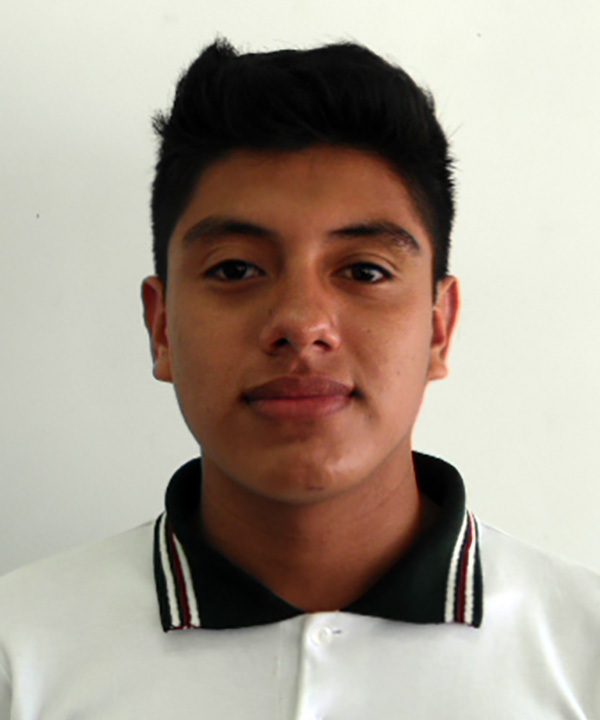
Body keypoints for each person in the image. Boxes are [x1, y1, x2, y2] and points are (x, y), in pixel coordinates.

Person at [0, 38, 598, 718]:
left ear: (439, 328)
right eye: (235, 269)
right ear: (162, 327)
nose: (301, 322)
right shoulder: (20, 655)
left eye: (365, 270)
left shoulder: (584, 656)